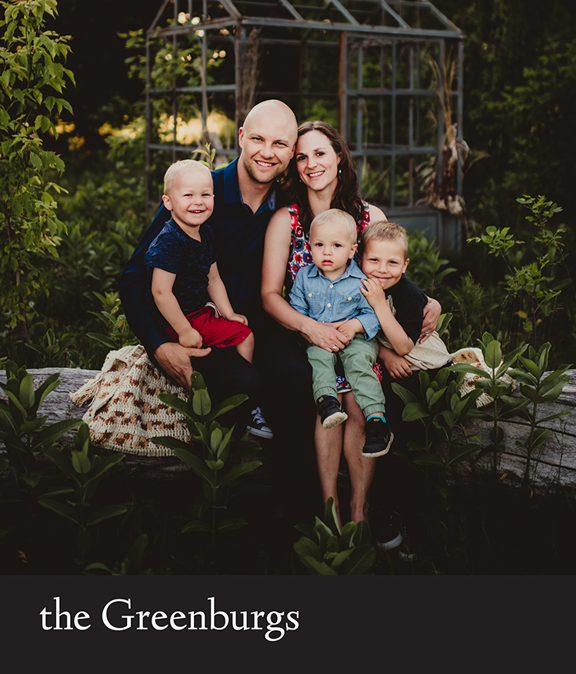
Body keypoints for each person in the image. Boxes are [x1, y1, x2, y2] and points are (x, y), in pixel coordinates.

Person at [261, 120, 441, 524]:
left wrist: (428, 303)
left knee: (360, 404)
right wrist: (311, 329)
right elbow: (270, 295)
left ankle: (362, 508)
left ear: (339, 157)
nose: (311, 163)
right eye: (301, 157)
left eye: (320, 153)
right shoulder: (286, 220)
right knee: (328, 405)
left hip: (363, 333)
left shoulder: (368, 216)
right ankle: (331, 508)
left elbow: (390, 278)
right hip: (309, 332)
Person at [119, 100, 298, 436]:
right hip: (195, 325)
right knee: (241, 381)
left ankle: (291, 468)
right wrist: (159, 345)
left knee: (298, 375)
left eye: (279, 143)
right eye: (258, 139)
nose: (267, 152)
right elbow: (134, 277)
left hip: (251, 326)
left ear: (292, 151)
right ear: (241, 137)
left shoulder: (288, 206)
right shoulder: (198, 196)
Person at [289, 209, 393, 457]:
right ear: (309, 246)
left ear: (351, 250)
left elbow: (374, 315)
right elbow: (297, 312)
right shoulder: (304, 278)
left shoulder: (361, 280)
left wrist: (354, 325)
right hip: (320, 338)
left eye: (336, 246)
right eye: (319, 245)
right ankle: (328, 403)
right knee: (318, 358)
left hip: (356, 339)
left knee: (359, 364)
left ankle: (376, 419)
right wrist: (312, 330)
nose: (327, 252)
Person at [359, 220, 452, 431]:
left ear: (405, 265)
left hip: (429, 372)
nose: (382, 270)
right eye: (374, 260)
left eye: (392, 262)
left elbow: (404, 347)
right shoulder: (359, 287)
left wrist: (379, 304)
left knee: (426, 430)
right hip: (396, 371)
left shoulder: (409, 294)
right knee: (392, 425)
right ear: (360, 260)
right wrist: (385, 355)